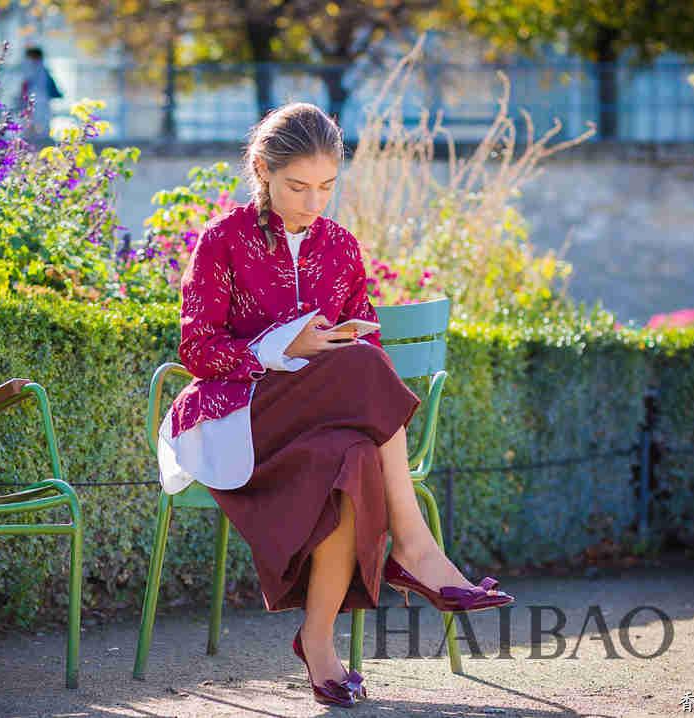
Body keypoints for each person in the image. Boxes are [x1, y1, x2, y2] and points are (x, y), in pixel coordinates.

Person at [157, 102, 514, 708]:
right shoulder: (223, 240)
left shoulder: (342, 246)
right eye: (297, 186)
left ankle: (317, 643)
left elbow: (364, 336)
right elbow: (197, 348)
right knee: (364, 369)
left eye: (326, 186)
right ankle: (416, 547)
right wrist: (279, 346)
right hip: (241, 417)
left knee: (351, 455)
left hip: (318, 424)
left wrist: (339, 341)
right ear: (262, 169)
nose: (312, 201)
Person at [18, 46, 62, 144]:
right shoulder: (40, 68)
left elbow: (25, 84)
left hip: (36, 99)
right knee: (37, 122)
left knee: (35, 122)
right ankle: (36, 142)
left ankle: (34, 142)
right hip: (38, 99)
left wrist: (21, 97)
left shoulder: (31, 68)